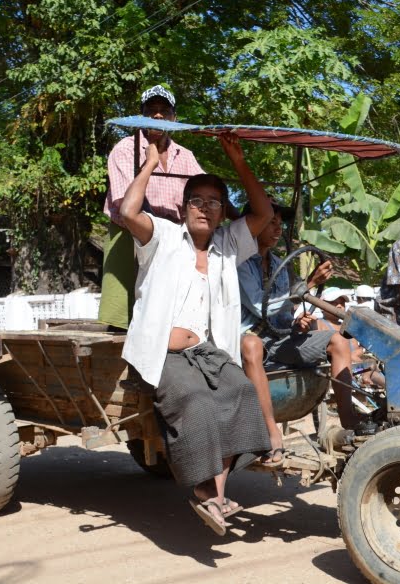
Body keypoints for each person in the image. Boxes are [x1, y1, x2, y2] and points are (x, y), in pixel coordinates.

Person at [120, 133, 273, 536]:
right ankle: (205, 493)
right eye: (197, 201)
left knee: (240, 394)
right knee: (198, 400)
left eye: (213, 203)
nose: (205, 208)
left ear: (223, 212)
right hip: (164, 355)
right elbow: (127, 211)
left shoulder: (228, 244)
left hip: (208, 351)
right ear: (183, 207)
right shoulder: (163, 238)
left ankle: (217, 496)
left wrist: (239, 161)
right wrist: (151, 162)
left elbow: (264, 212)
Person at [237, 201, 359, 460]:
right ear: (253, 224)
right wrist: (310, 282)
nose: (277, 229)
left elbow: (281, 313)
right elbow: (261, 306)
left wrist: (295, 323)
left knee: (338, 340)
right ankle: (271, 433)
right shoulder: (239, 263)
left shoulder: (281, 264)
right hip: (248, 340)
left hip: (279, 340)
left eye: (280, 224)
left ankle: (351, 425)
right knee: (253, 344)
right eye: (271, 223)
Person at [99, 85, 204, 330]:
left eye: (164, 111)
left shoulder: (185, 155)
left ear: (173, 118)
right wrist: (150, 162)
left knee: (171, 316)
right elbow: (126, 205)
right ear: (140, 116)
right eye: (151, 111)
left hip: (172, 240)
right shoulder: (125, 149)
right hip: (129, 236)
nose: (158, 116)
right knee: (126, 320)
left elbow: (203, 193)